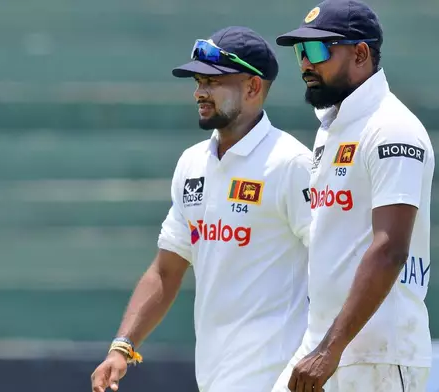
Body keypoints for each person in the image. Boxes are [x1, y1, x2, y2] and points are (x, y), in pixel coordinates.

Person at [90, 26, 313, 392]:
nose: (199, 92)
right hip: (213, 377)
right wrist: (123, 348)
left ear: (253, 88)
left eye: (212, 82)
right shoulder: (192, 163)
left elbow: (332, 267)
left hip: (278, 380)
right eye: (198, 81)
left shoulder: (292, 164)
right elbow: (166, 270)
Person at [271, 0, 435, 391]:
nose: (304, 64)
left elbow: (390, 249)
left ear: (361, 53)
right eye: (299, 52)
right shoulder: (333, 127)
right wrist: (324, 347)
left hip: (378, 356)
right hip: (325, 347)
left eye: (316, 50)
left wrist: (331, 349)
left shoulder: (392, 128)